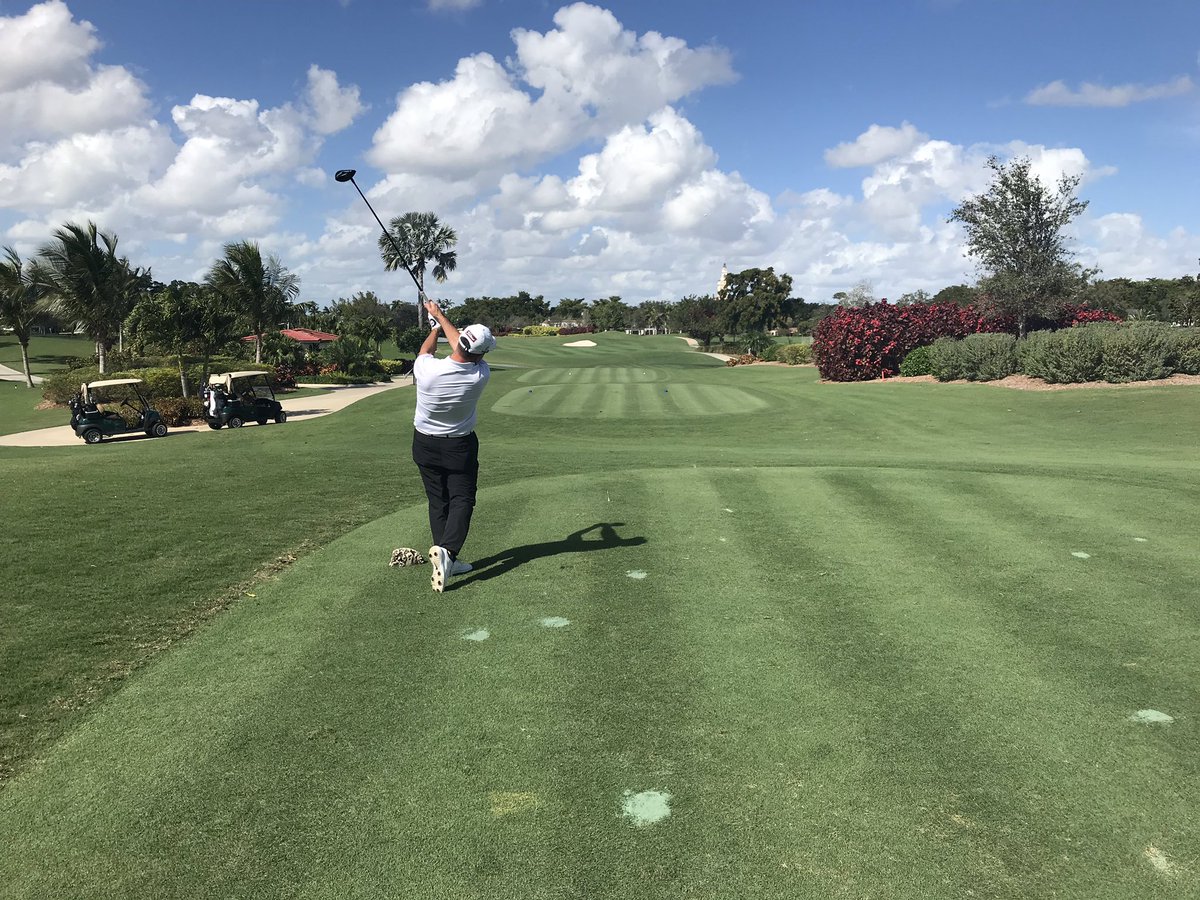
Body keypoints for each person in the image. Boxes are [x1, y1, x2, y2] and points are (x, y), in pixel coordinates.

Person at [411, 298, 496, 592]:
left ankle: (446, 557)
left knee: (438, 500)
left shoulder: (426, 370)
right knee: (462, 499)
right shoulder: (479, 375)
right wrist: (439, 316)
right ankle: (448, 552)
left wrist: (434, 324)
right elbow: (461, 346)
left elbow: (429, 350)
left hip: (423, 444)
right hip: (459, 447)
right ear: (480, 354)